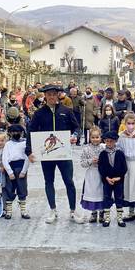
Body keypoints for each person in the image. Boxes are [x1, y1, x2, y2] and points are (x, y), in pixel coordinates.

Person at [26, 84, 81, 224]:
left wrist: (74, 135)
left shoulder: (66, 111)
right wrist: (29, 151)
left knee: (69, 181)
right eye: (48, 94)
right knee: (49, 181)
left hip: (63, 153)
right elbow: (31, 132)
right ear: (45, 96)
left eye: (54, 94)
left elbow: (76, 127)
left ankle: (73, 211)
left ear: (58, 95)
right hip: (47, 154)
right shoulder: (39, 113)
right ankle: (53, 210)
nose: (51, 97)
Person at [118, 113, 135, 224]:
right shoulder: (122, 136)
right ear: (125, 124)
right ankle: (131, 212)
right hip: (127, 164)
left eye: (133, 123)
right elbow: (119, 149)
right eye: (128, 123)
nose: (130, 126)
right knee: (128, 188)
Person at [98, 131, 128, 227]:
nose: (109, 143)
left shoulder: (120, 153)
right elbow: (101, 167)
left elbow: (124, 167)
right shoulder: (102, 154)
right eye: (107, 141)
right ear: (104, 141)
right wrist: (106, 177)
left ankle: (120, 217)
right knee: (106, 197)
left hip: (118, 181)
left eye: (111, 141)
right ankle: (107, 218)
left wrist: (119, 177)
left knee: (119, 198)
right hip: (107, 181)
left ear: (115, 141)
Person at [2, 125, 31, 219]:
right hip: (11, 168)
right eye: (13, 132)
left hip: (21, 168)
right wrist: (9, 172)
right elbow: (4, 159)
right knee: (9, 189)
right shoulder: (8, 144)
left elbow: (27, 157)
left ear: (22, 132)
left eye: (18, 132)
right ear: (10, 133)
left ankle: (23, 211)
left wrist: (24, 171)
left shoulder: (25, 143)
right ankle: (9, 211)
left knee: (22, 189)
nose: (16, 134)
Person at [80, 126, 106, 223]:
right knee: (92, 193)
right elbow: (82, 163)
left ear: (100, 137)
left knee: (101, 192)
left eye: (97, 137)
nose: (95, 139)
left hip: (102, 174)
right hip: (91, 174)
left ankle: (102, 213)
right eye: (93, 137)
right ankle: (94, 213)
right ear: (89, 138)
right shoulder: (86, 149)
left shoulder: (104, 147)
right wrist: (90, 161)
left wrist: (102, 162)